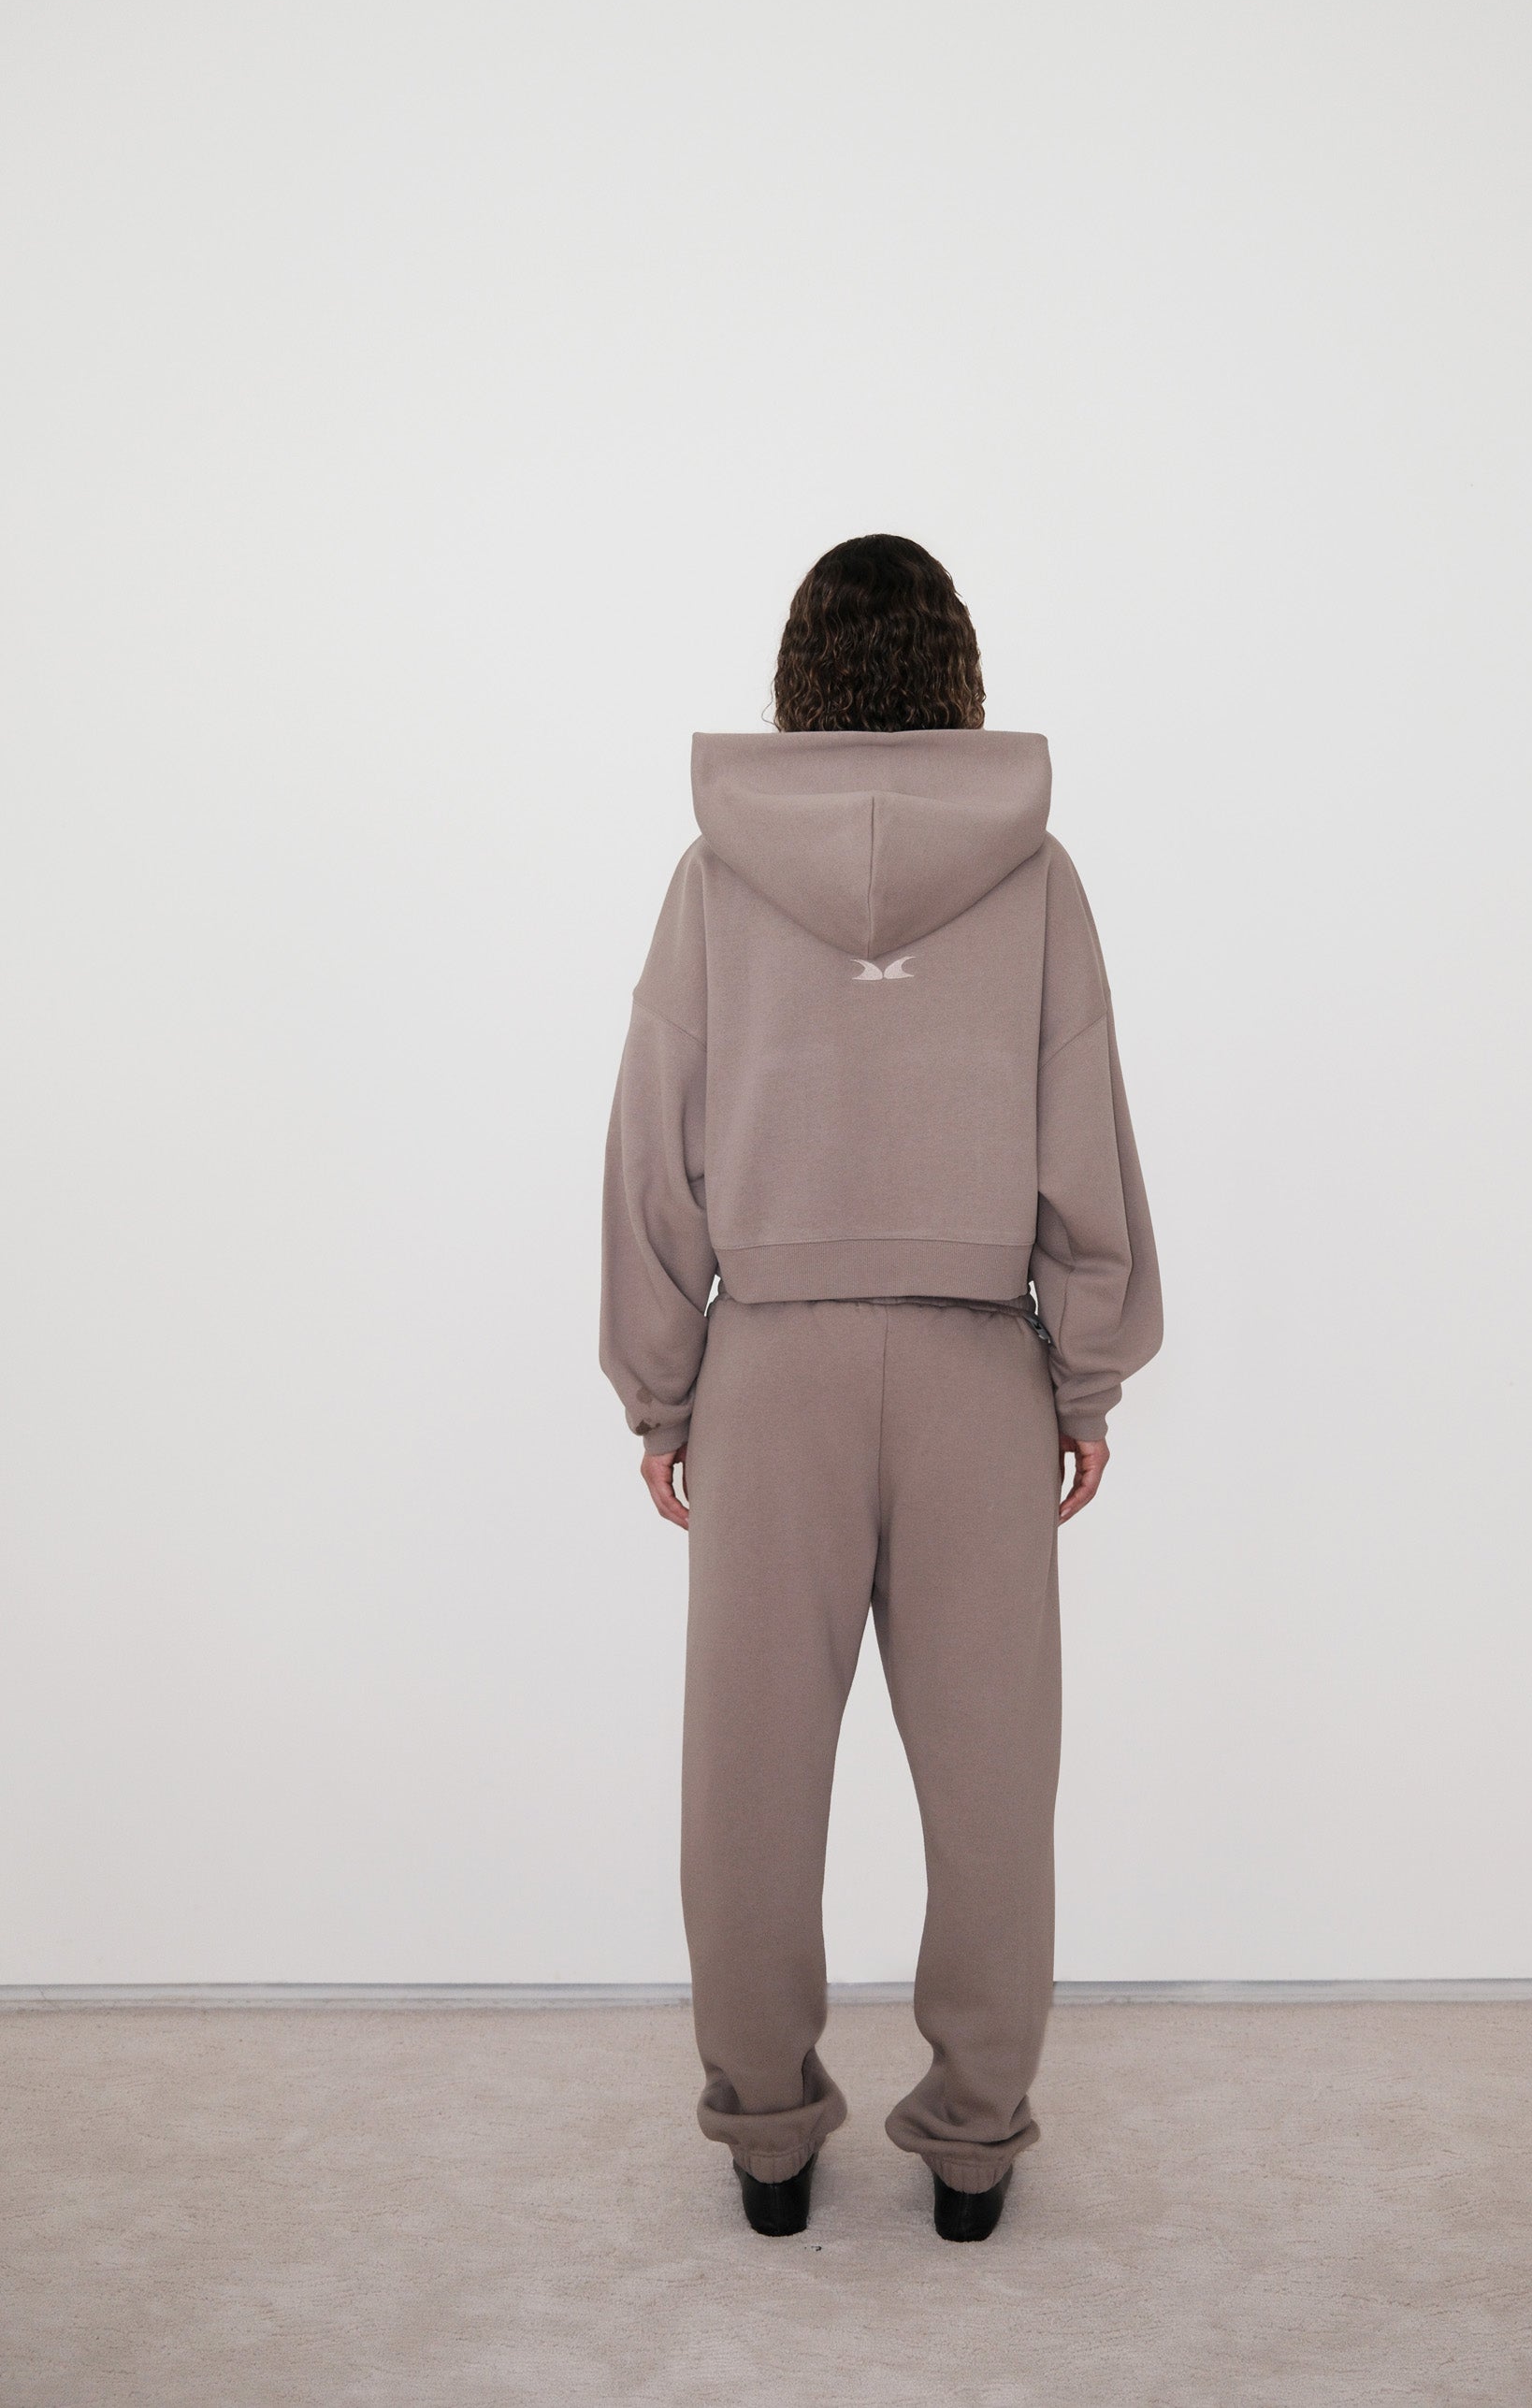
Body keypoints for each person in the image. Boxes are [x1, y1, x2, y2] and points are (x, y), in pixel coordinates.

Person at [599, 535, 1163, 2243]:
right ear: (958, 674)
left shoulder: (715, 880)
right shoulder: (1036, 879)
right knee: (994, 1785)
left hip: (771, 1369)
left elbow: (655, 1148)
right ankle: (974, 2147)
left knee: (748, 1780)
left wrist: (663, 1390)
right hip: (980, 1366)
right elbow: (1082, 1137)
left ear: (800, 676)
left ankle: (767, 2140)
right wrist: (1086, 1379)